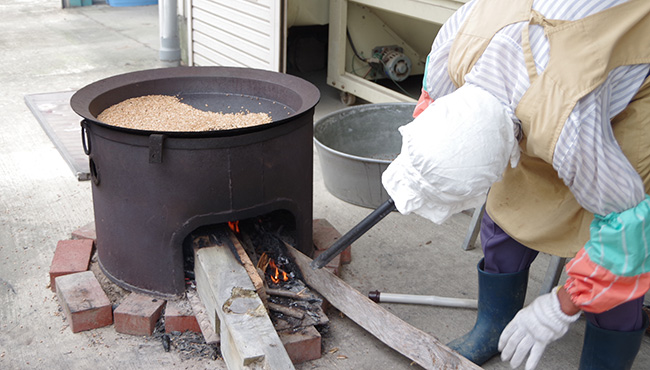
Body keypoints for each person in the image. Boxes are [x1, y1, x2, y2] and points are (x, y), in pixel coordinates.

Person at [381, 0, 650, 369]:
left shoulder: (570, 128)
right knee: (505, 207)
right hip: (556, 78)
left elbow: (629, 228)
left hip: (633, 81)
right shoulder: (461, 49)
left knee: (616, 230)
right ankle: (493, 325)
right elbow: (435, 99)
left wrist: (561, 306)